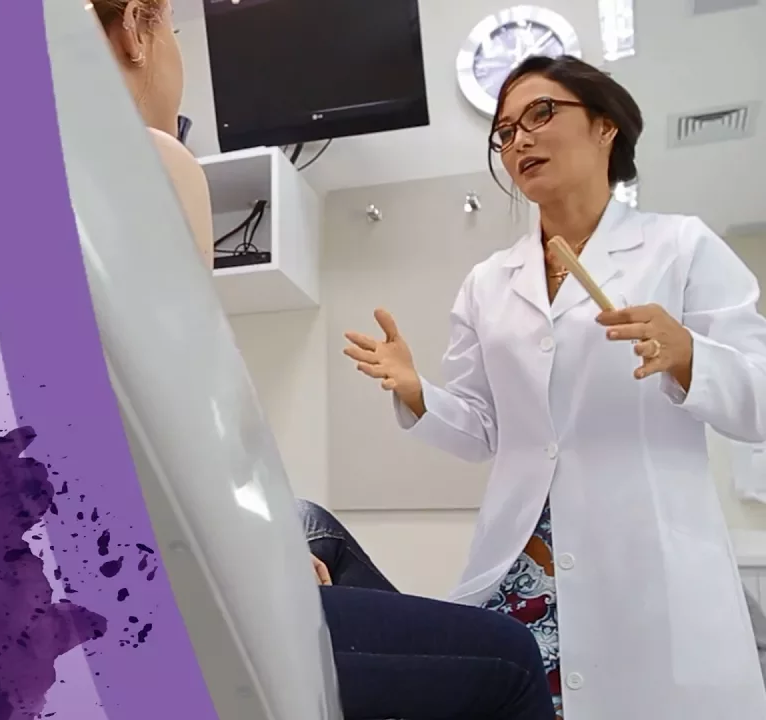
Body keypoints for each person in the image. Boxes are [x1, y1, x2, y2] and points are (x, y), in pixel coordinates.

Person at [90, 1, 555, 717]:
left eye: (541, 117)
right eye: (176, 31)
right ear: (135, 30)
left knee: (313, 525)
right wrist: (263, 552)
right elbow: (177, 425)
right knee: (511, 657)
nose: (520, 140)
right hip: (151, 597)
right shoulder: (152, 160)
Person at [343, 54, 766, 719]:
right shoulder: (489, 281)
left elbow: (759, 401)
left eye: (540, 114)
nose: (520, 140)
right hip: (524, 566)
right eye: (505, 131)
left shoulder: (680, 247)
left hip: (646, 562)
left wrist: (690, 356)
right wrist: (418, 390)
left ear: (605, 126)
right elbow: (484, 430)